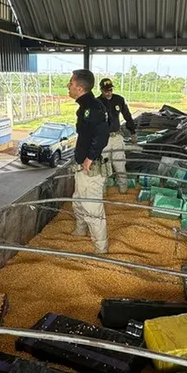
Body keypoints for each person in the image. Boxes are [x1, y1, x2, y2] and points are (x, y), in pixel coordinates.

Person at [67, 69, 111, 254]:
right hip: (82, 167)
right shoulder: (87, 106)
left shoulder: (91, 107)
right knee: (78, 201)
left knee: (92, 209)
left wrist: (89, 158)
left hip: (89, 169)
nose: (68, 87)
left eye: (70, 83)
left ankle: (101, 249)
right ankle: (80, 229)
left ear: (79, 87)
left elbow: (102, 136)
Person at [97, 78, 137, 194]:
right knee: (103, 165)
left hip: (117, 137)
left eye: (110, 90)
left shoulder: (119, 100)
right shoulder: (97, 102)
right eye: (105, 91)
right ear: (101, 90)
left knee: (119, 164)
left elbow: (127, 116)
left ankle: (123, 190)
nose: (108, 93)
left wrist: (133, 132)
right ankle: (102, 190)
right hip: (103, 139)